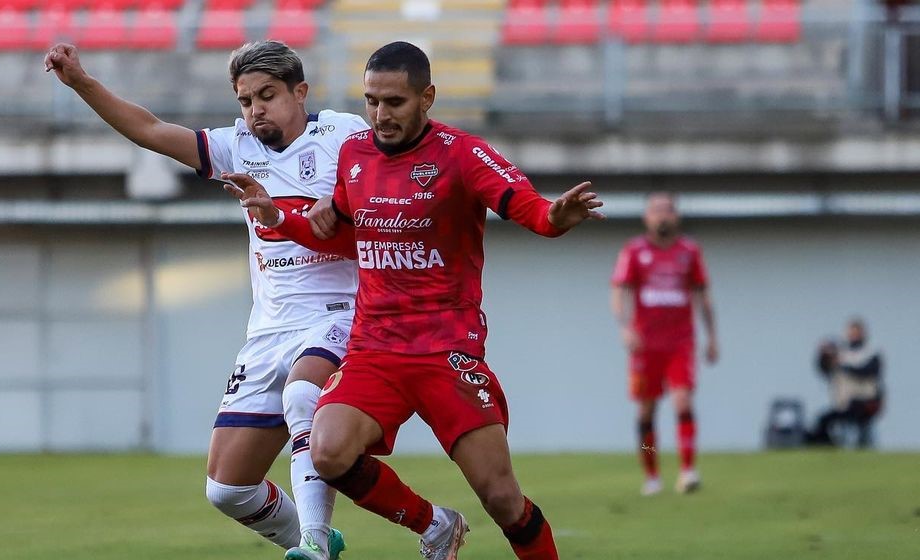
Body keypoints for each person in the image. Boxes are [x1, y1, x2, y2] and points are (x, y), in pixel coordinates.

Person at [222, 41, 604, 560]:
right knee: (328, 450)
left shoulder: (463, 154)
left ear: (427, 97)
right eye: (371, 100)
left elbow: (530, 208)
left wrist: (555, 218)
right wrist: (279, 218)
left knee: (502, 498)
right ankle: (435, 524)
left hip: (445, 352)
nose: (380, 114)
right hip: (375, 349)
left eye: (394, 102)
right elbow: (340, 234)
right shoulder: (355, 155)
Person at [45, 40, 369, 560]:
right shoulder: (234, 147)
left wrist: (344, 196)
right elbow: (150, 130)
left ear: (300, 92)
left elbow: (390, 173)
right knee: (227, 489)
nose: (255, 108)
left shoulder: (345, 135)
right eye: (245, 100)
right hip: (268, 330)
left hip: (338, 315)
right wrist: (81, 82)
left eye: (267, 95)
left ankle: (312, 540)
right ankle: (317, 543)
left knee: (302, 396)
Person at [610, 192, 718, 496]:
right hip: (645, 345)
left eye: (667, 210)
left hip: (681, 342)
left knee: (683, 402)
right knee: (646, 412)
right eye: (656, 210)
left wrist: (711, 337)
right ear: (647, 217)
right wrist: (625, 327)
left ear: (676, 216)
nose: (662, 216)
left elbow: (703, 295)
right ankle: (652, 474)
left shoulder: (689, 251)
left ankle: (687, 470)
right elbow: (619, 291)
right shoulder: (634, 251)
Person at [807, 318, 883, 448]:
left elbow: (869, 371)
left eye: (856, 332)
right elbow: (825, 370)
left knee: (861, 428)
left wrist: (844, 365)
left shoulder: (871, 353)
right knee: (823, 421)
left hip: (865, 401)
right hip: (843, 403)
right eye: (851, 332)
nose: (853, 335)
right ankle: (828, 447)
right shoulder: (841, 353)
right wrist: (823, 356)